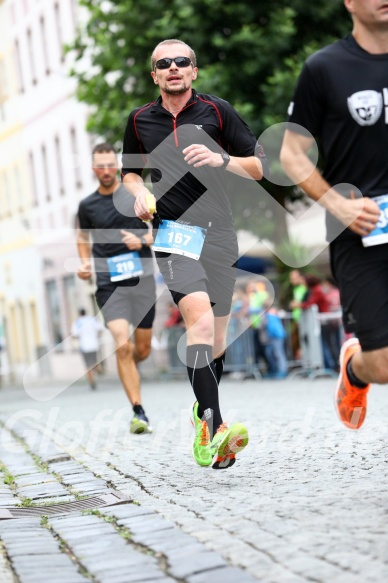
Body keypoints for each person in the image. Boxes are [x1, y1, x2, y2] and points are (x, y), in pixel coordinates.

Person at [121, 39, 269, 468]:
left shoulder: (217, 111)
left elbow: (259, 168)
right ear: (154, 75)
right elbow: (130, 170)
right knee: (199, 325)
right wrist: (138, 192)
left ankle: (201, 409)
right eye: (163, 64)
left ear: (193, 71)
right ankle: (214, 430)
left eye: (181, 62)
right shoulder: (139, 120)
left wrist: (221, 158)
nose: (173, 68)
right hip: (173, 235)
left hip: (220, 233)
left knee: (216, 342)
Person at [280, 0, 388, 430]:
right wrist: (336, 202)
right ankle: (355, 369)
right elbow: (291, 154)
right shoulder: (325, 68)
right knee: (383, 365)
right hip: (358, 231)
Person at [76, 143, 156, 434]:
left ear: (118, 166)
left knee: (142, 349)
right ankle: (139, 411)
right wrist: (85, 264)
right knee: (123, 345)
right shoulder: (87, 206)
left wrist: (143, 241)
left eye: (111, 165)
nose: (106, 171)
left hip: (142, 278)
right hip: (109, 283)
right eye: (101, 166)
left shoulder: (135, 195)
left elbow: (162, 227)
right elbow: (83, 239)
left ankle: (129, 366)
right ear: (93, 168)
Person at [71, 308, 104, 389]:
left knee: (87, 366)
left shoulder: (77, 322)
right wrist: (96, 336)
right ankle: (98, 367)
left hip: (84, 346)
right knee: (94, 361)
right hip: (94, 344)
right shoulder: (93, 320)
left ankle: (91, 381)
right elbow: (100, 329)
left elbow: (74, 334)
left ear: (79, 313)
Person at [260, 300, 288, 379]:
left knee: (278, 353)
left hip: (276, 336)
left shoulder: (271, 314)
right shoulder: (271, 314)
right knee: (273, 354)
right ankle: (276, 370)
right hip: (273, 336)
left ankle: (283, 370)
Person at [288, 270, 307, 360]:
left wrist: (297, 304)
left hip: (305, 320)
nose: (292, 281)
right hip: (297, 319)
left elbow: (306, 302)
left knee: (304, 342)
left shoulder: (304, 288)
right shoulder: (295, 289)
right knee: (296, 342)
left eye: (294, 278)